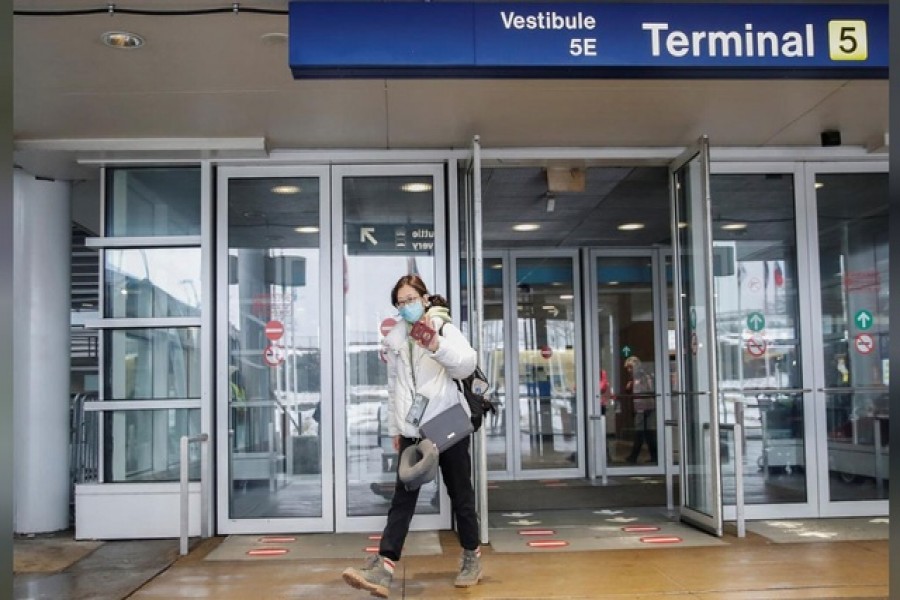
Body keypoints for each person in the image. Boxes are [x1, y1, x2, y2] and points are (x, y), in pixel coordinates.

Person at [342, 274, 483, 598]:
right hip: (413, 429)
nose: (406, 306)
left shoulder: (443, 327)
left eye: (410, 299)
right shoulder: (395, 340)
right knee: (402, 499)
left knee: (460, 494)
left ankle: (471, 557)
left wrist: (435, 345)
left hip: (447, 421)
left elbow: (466, 364)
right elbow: (395, 389)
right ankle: (384, 567)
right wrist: (395, 429)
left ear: (424, 298)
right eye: (400, 302)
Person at [624, 355, 657, 464]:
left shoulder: (643, 376)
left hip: (645, 407)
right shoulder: (635, 378)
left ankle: (634, 456)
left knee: (640, 432)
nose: (628, 370)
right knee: (647, 433)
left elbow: (649, 389)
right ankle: (654, 456)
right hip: (641, 407)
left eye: (630, 367)